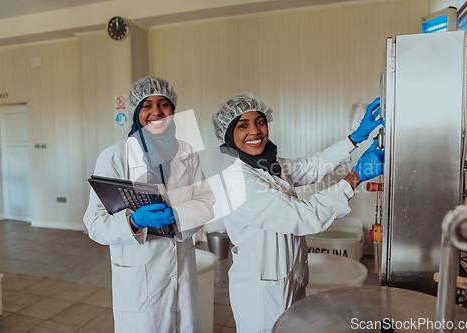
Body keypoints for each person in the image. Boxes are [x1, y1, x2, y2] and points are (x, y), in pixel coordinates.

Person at [211, 92, 384, 333]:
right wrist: (355, 177)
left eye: (260, 121)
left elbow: (312, 167)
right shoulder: (236, 180)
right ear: (228, 135)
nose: (255, 131)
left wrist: (355, 138)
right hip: (262, 292)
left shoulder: (267, 163)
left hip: (288, 277)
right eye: (243, 125)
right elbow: (302, 217)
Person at [84, 76, 215, 332]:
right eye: (147, 105)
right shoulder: (114, 157)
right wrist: (134, 221)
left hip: (181, 271)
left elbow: (207, 201)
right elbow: (94, 222)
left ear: (173, 110)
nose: (156, 111)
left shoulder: (187, 152)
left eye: (163, 104)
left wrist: (177, 215)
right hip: (139, 279)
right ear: (136, 111)